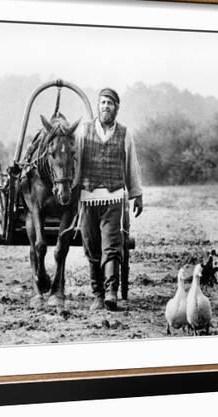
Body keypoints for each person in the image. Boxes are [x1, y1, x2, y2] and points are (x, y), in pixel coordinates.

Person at [75, 87, 143, 311]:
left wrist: (137, 194)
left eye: (110, 103)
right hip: (87, 199)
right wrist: (70, 191)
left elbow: (132, 165)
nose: (106, 106)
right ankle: (97, 294)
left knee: (112, 246)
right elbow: (74, 165)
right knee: (92, 248)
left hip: (114, 199)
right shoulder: (84, 131)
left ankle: (111, 292)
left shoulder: (124, 134)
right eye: (102, 102)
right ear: (97, 106)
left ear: (116, 109)